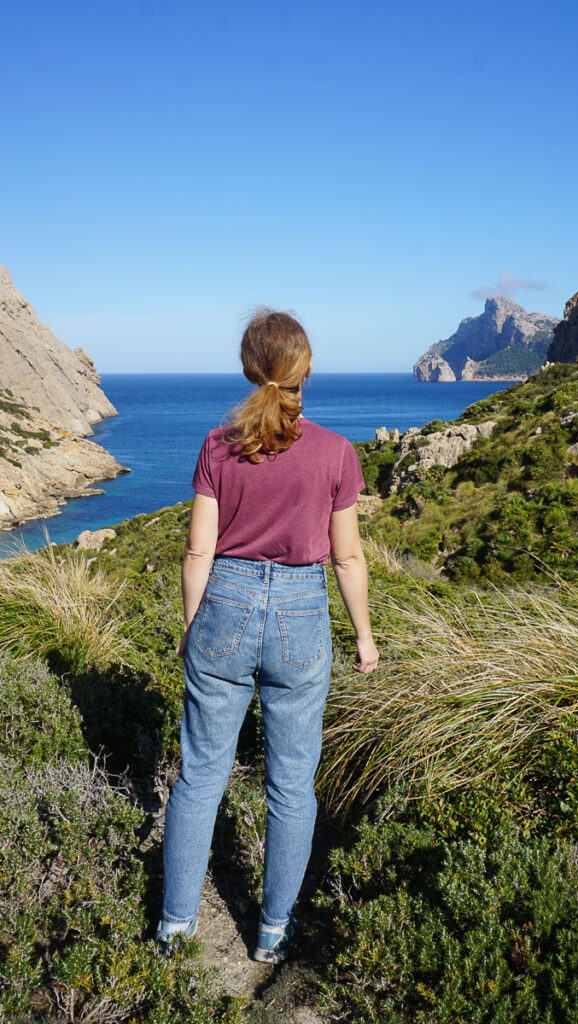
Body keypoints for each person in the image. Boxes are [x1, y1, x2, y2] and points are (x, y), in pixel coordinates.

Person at [156, 309, 379, 964]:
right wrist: (363, 637)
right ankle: (273, 934)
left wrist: (192, 627)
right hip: (301, 618)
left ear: (249, 369)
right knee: (290, 783)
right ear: (305, 370)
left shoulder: (216, 446)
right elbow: (348, 559)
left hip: (222, 602)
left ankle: (174, 928)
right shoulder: (336, 453)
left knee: (199, 776)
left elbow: (198, 553)